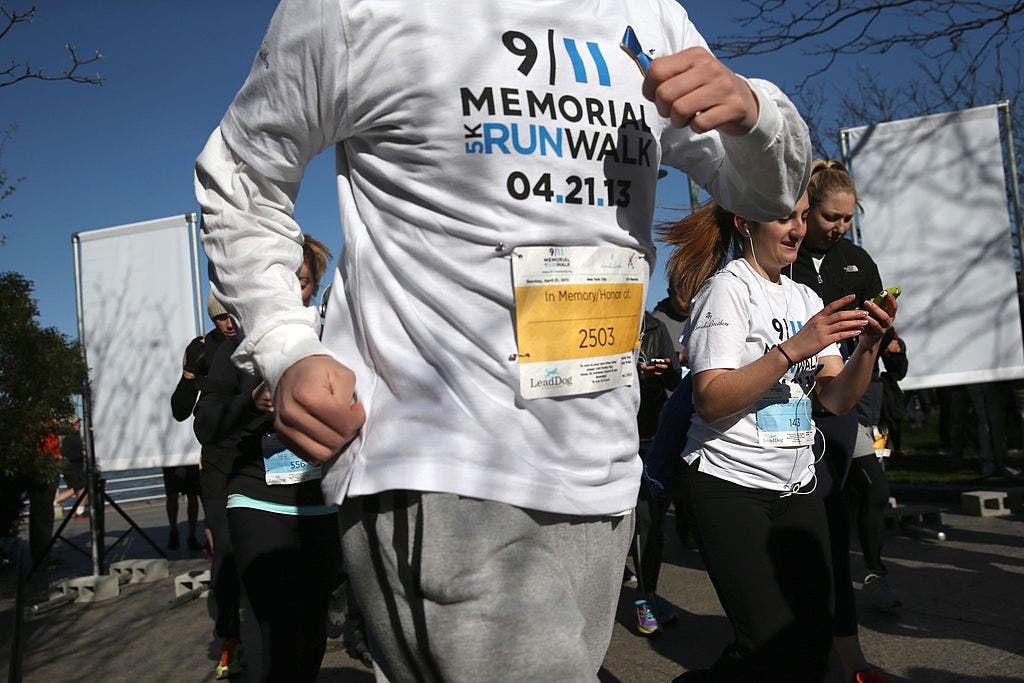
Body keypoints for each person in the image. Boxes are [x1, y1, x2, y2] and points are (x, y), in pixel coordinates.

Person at [195, 2, 811, 677]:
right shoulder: (357, 9)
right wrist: (287, 344)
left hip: (599, 469)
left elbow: (770, 188)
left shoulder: (646, 11)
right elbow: (242, 175)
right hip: (447, 463)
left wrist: (754, 110)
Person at [669, 192, 897, 682]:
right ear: (745, 222)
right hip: (728, 484)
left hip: (797, 487)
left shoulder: (805, 298)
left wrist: (869, 348)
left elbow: (835, 399)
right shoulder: (728, 289)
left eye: (800, 217)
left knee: (814, 643)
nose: (797, 229)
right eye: (783, 218)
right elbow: (710, 399)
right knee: (769, 646)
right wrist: (793, 349)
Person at [194, 236, 341, 681]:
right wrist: (253, 402)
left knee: (312, 625)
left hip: (322, 503)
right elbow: (206, 425)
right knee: (270, 620)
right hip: (258, 500)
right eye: (283, 281)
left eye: (301, 282)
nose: (294, 292)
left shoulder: (334, 339)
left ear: (314, 285)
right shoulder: (236, 349)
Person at [175, 292, 242, 678]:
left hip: (256, 461)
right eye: (220, 318)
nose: (228, 323)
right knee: (226, 552)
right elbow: (179, 410)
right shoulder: (203, 348)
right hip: (217, 465)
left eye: (232, 315)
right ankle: (229, 637)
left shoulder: (254, 339)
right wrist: (189, 375)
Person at [847, 334, 907, 614]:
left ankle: (873, 570)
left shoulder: (877, 319)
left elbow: (899, 370)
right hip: (845, 418)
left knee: (871, 494)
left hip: (874, 420)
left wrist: (896, 349)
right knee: (873, 490)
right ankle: (870, 569)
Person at [632, 311, 682, 636]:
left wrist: (661, 373)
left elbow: (676, 380)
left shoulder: (654, 326)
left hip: (649, 434)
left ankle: (645, 598)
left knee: (650, 522)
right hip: (610, 437)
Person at [53, 416, 87, 518]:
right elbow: (65, 453)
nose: (79, 425)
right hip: (72, 468)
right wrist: (81, 454)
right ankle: (53, 502)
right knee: (75, 489)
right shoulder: (69, 438)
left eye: (78, 423)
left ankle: (80, 511)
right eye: (76, 424)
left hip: (76, 468)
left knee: (81, 488)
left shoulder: (76, 436)